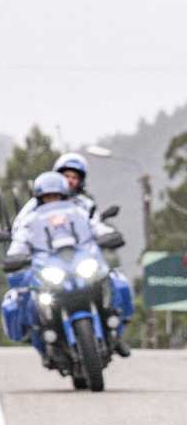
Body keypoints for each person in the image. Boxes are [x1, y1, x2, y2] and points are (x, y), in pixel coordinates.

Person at [8, 152, 132, 355]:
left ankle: (114, 329)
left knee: (115, 282)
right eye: (66, 176)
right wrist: (14, 255)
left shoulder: (81, 207)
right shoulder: (31, 213)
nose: (70, 181)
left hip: (80, 259)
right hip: (49, 262)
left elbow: (95, 225)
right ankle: (40, 334)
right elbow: (20, 235)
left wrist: (109, 235)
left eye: (75, 177)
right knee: (30, 294)